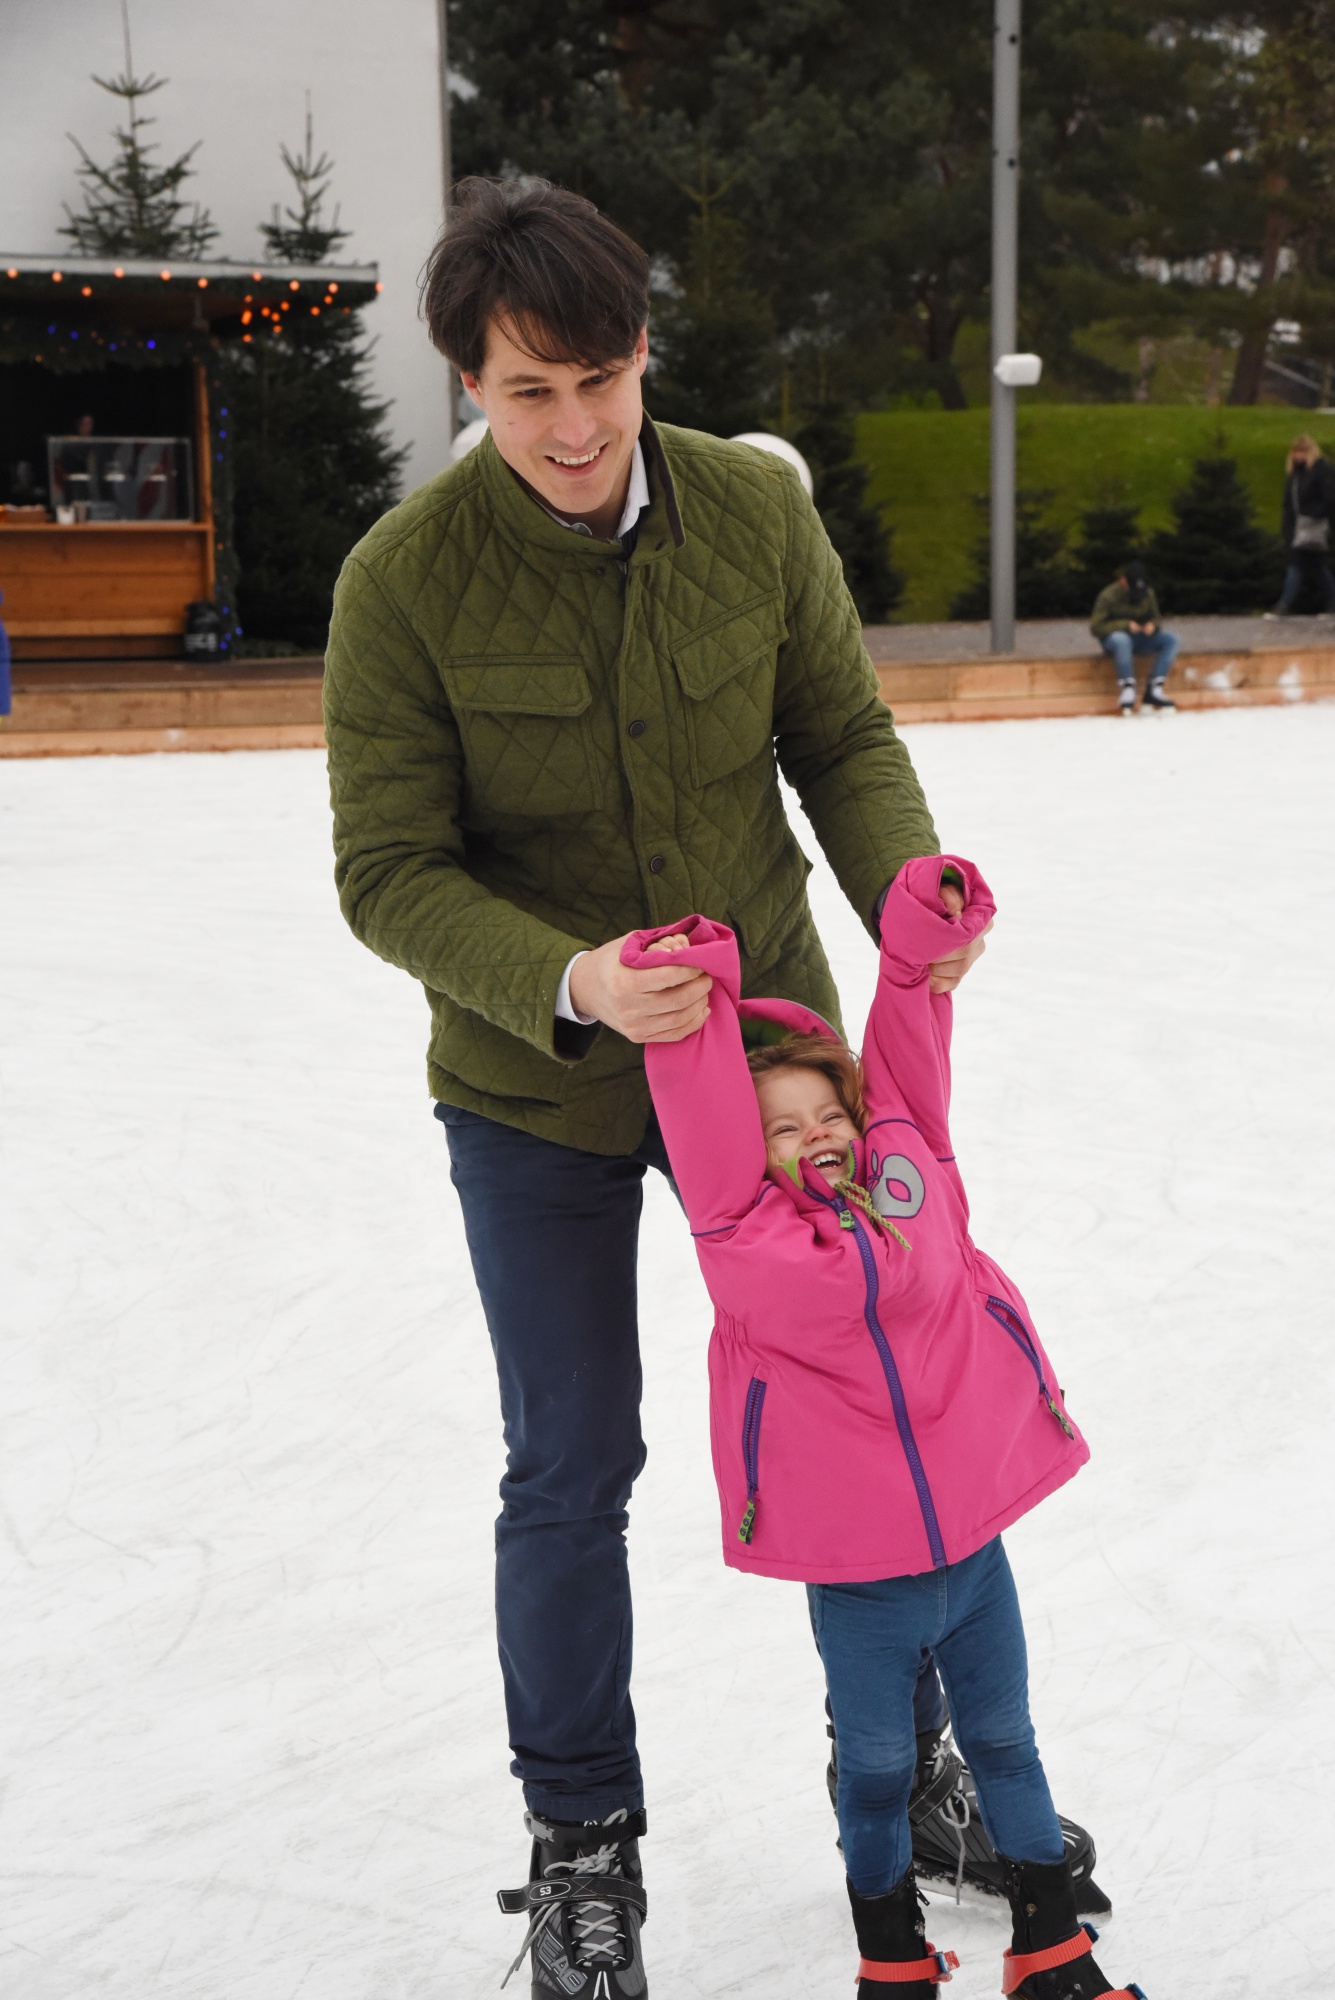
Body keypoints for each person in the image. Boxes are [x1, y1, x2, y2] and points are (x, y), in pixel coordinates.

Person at [324, 177, 1094, 2000]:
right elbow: (387, 872)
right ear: (468, 385)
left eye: (602, 376)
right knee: (573, 1460)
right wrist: (573, 983)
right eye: (529, 392)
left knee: (892, 1388)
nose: (578, 427)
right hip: (543, 1090)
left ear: (647, 349)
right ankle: (581, 1842)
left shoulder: (751, 513)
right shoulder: (402, 586)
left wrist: (911, 897)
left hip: (780, 1081)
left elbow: (837, 731)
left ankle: (928, 1789)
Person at [630, 862, 1146, 2000]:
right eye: (783, 1126)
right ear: (743, 1148)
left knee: (1007, 1743)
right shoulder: (741, 1233)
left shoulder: (915, 1176)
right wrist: (696, 1003)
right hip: (859, 1575)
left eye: (831, 1112)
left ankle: (1053, 1953)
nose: (817, 1135)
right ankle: (893, 1961)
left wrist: (918, 943)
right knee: (873, 1771)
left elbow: (909, 1044)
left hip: (975, 1547)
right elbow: (705, 1117)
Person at [1090, 561, 1178, 715]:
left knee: (1171, 640)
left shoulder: (1148, 594)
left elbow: (1157, 618)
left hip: (1140, 638)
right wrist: (1125, 625)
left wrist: (1153, 625)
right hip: (1114, 641)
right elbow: (1096, 627)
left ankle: (1154, 688)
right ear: (1123, 581)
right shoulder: (1108, 596)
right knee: (1122, 640)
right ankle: (1128, 688)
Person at [1267, 433, 1335, 617]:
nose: (1299, 456)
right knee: (1316, 566)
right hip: (1297, 527)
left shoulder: (1320, 470)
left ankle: (1283, 605)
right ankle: (1331, 602)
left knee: (1299, 565)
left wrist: (1314, 515)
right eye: (1296, 452)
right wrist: (1287, 527)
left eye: (1303, 452)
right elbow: (1288, 503)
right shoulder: (1295, 475)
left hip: (1312, 526)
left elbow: (1329, 498)